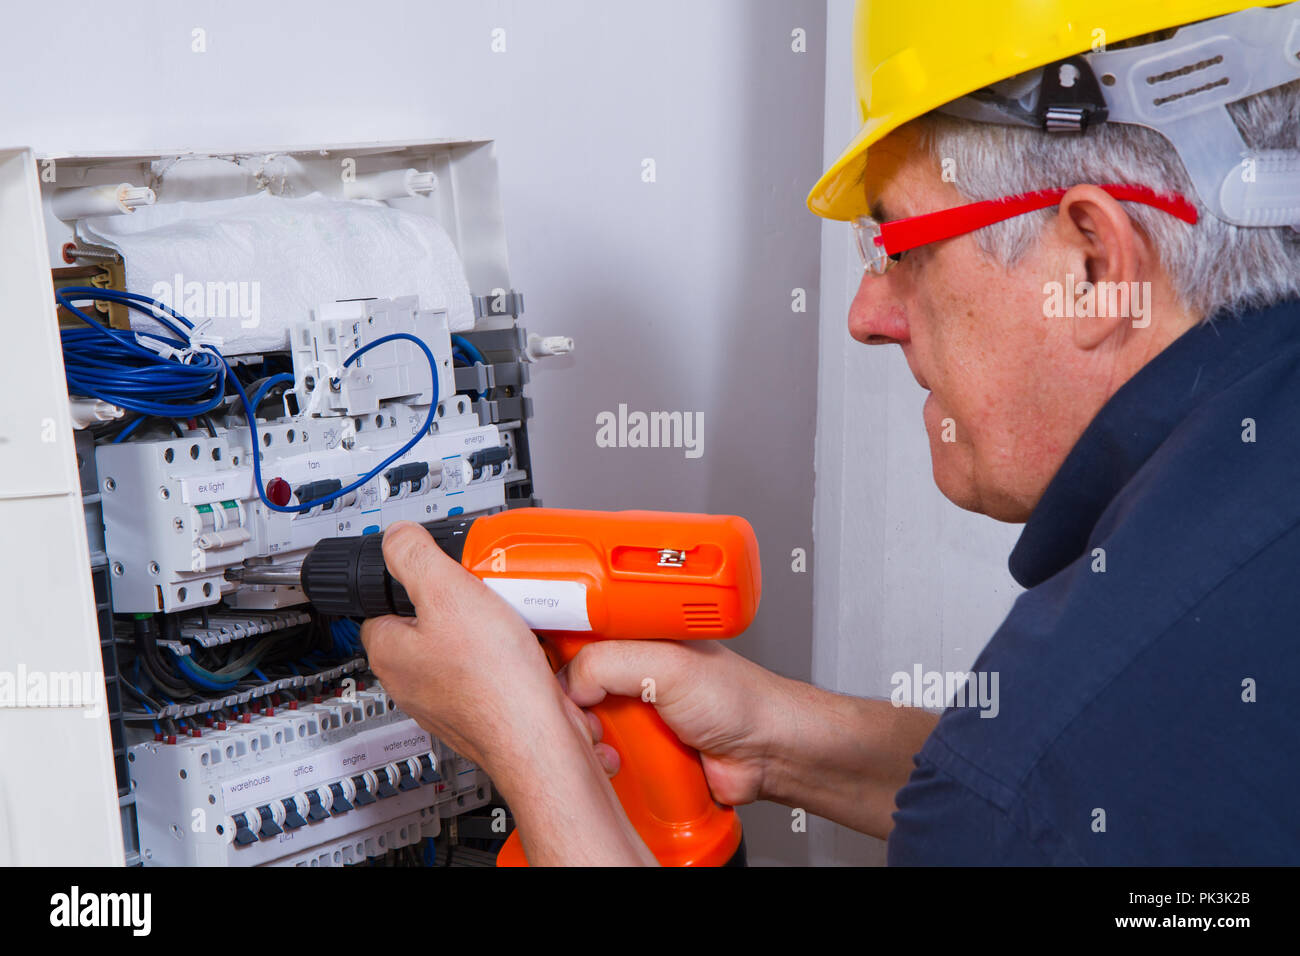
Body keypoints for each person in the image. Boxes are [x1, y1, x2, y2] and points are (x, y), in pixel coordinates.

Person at [363, 0, 1300, 864]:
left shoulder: (1068, 729)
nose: (864, 313)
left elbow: (1038, 798)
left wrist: (528, 749)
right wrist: (781, 740)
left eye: (900, 247)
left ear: (1093, 264)